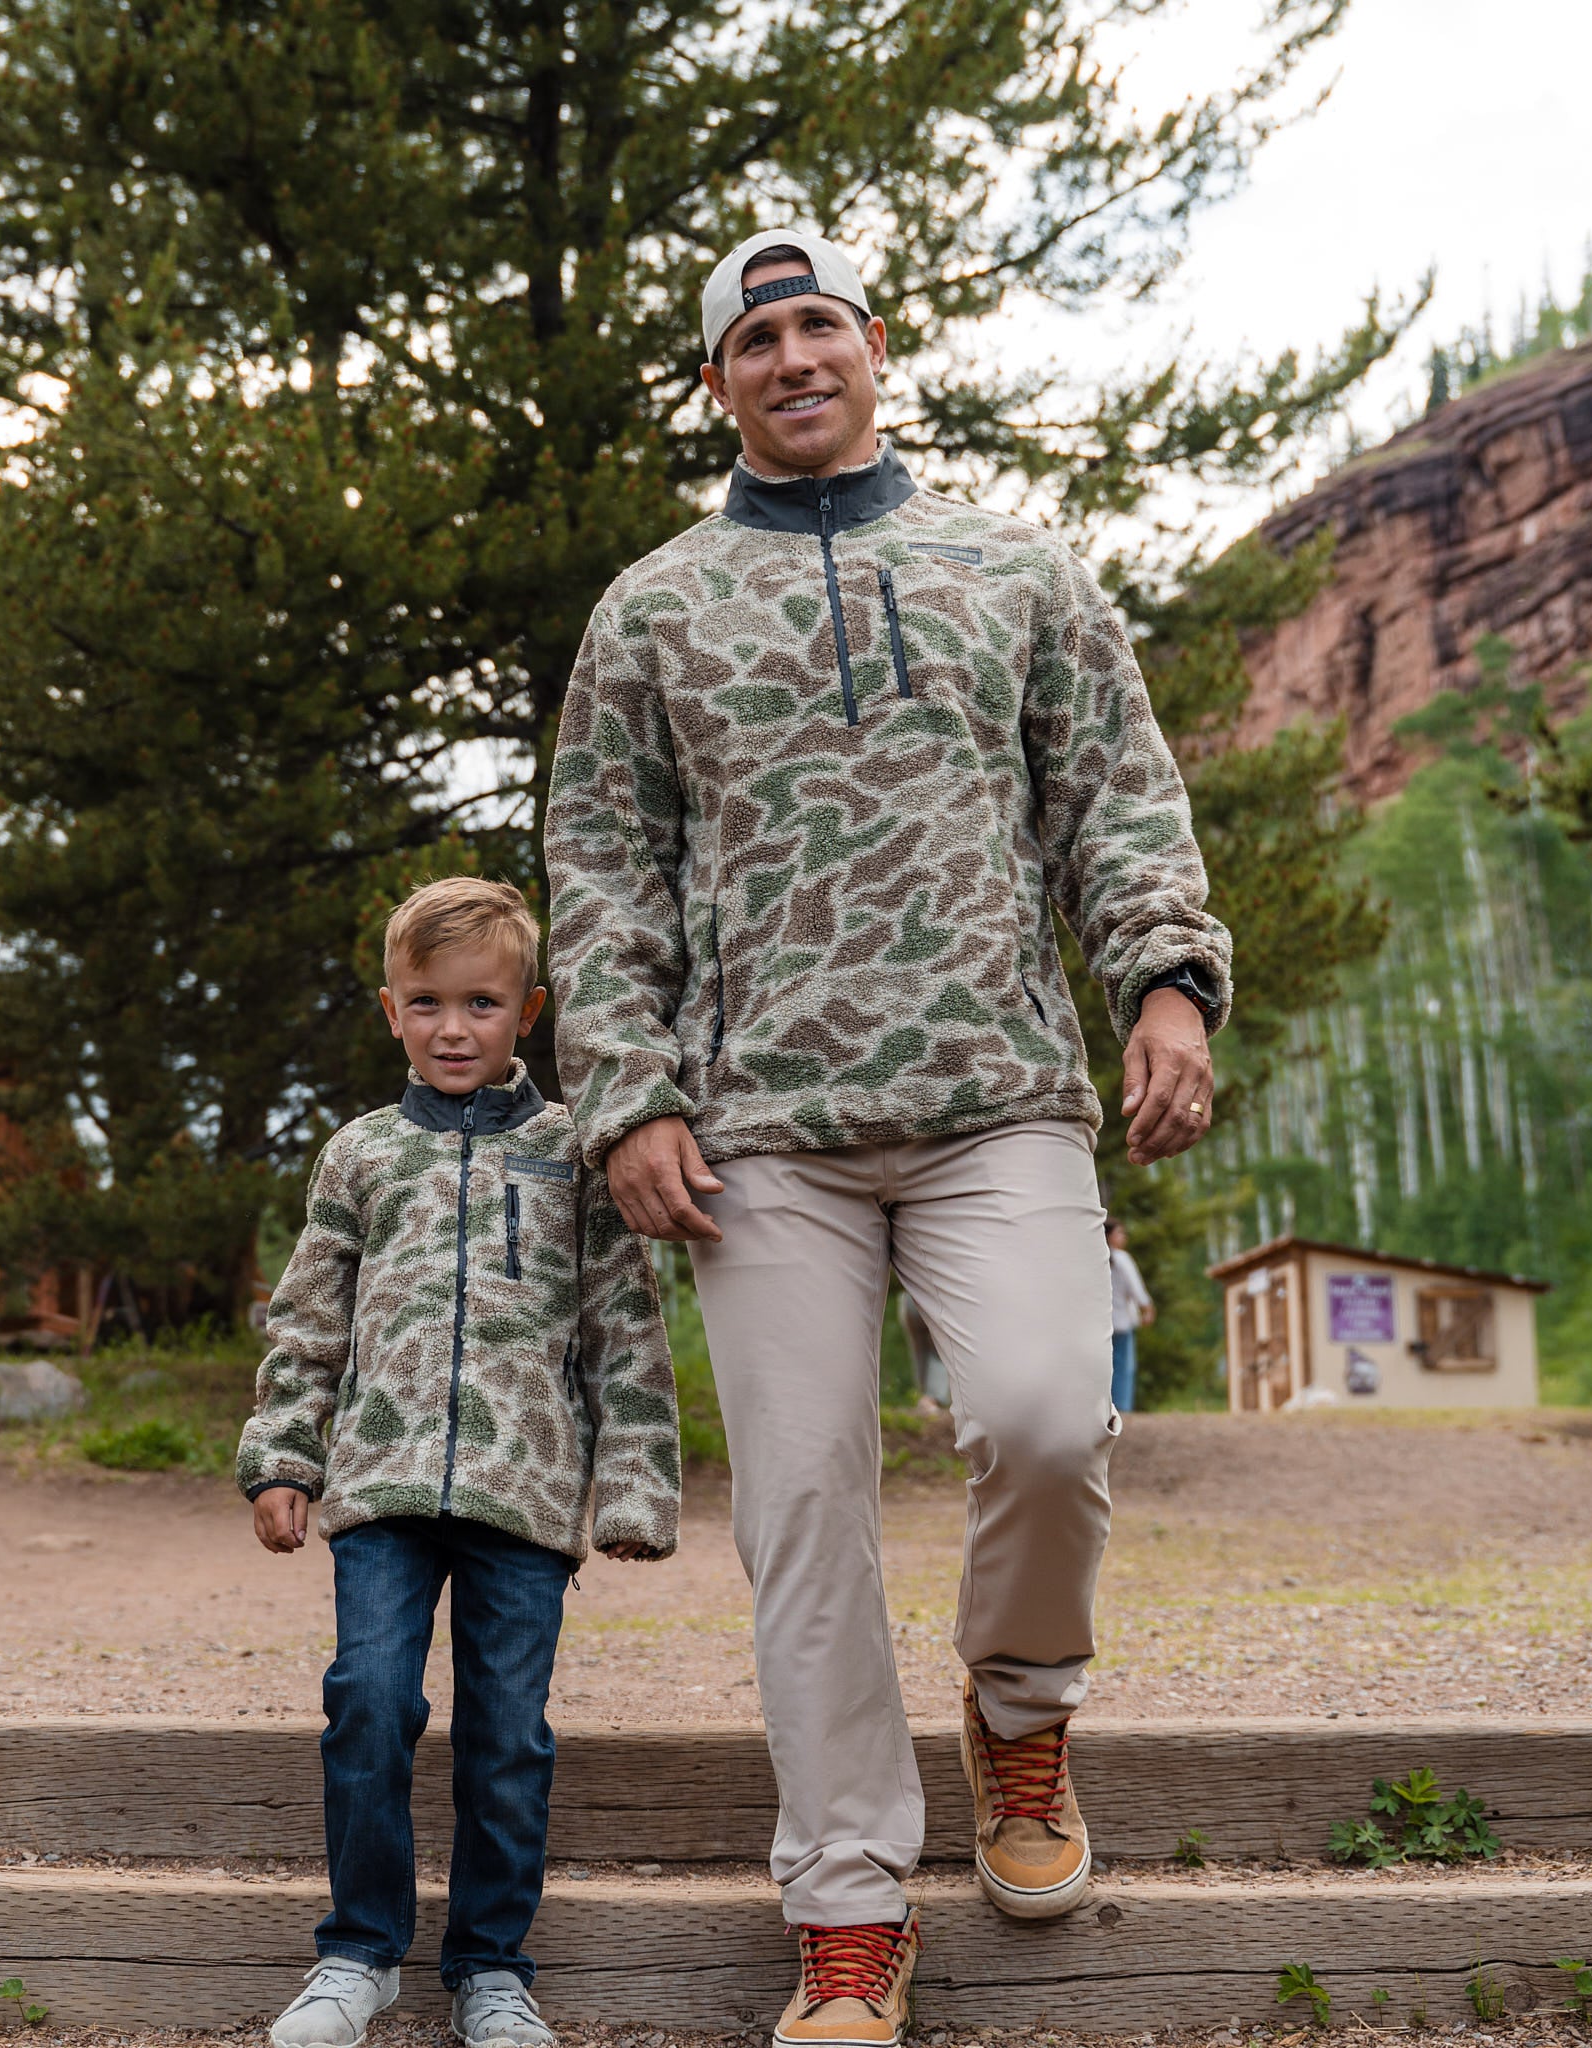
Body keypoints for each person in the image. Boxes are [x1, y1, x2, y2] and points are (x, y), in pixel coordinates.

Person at [543, 226, 1228, 2046]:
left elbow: (1118, 797)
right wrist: (627, 1089)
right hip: (758, 1132)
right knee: (800, 1511)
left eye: (818, 323)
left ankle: (1019, 1714)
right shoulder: (652, 609)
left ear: (871, 347)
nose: (792, 355)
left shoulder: (1017, 571)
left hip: (998, 1098)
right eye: (755, 336)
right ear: (719, 382)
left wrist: (1167, 985)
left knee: (1047, 1414)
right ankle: (848, 1904)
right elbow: (601, 868)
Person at [237, 877, 681, 2048]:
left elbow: (624, 1329)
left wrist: (634, 1485)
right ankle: (359, 1951)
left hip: (523, 1498)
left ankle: (490, 1965)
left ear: (526, 1010)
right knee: (368, 1700)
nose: (451, 1027)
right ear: (390, 1009)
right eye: (425, 1001)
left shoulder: (574, 1154)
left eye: (480, 1002)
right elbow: (308, 1319)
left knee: (506, 1739)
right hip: (379, 1490)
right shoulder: (360, 1154)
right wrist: (283, 1453)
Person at [1107, 1220, 1154, 1414]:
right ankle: (1121, 1406)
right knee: (1123, 1366)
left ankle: (1106, 1407)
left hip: (1102, 1323)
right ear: (1109, 1236)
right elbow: (1135, 1287)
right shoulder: (1121, 1259)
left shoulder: (1095, 1258)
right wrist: (1147, 1308)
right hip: (1122, 1322)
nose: (1124, 1237)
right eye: (1120, 1233)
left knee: (1106, 1366)